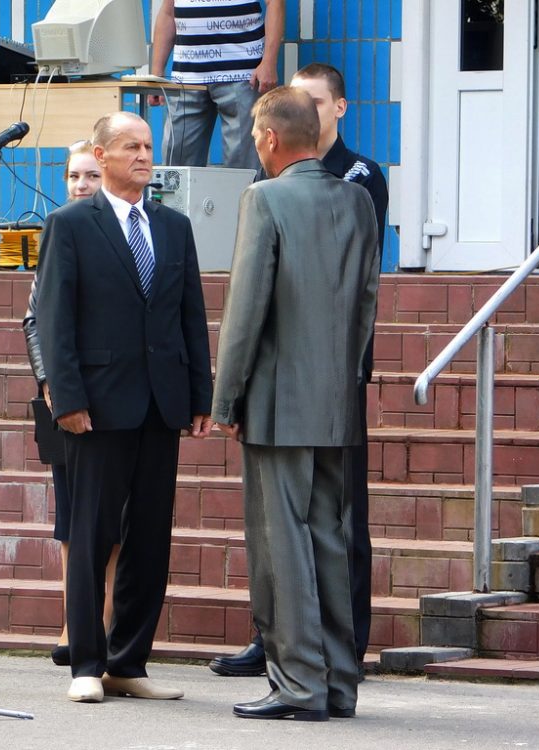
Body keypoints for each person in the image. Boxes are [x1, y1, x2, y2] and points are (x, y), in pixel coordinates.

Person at [208, 62, 387, 679]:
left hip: (278, 404)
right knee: (331, 539)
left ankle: (297, 682)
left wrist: (225, 399)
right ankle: (337, 680)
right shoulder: (358, 199)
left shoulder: (265, 198)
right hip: (338, 398)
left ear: (268, 139)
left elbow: (245, 312)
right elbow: (366, 302)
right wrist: (346, 377)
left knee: (280, 541)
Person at [34, 111, 214, 704]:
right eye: (131, 146)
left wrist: (200, 395)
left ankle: (127, 661)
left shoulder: (173, 225)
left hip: (162, 403)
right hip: (97, 405)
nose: (143, 155)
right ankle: (86, 663)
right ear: (101, 154)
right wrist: (67, 398)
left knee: (150, 539)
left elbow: (190, 314)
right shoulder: (70, 224)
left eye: (148, 145)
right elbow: (55, 319)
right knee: (90, 534)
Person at [22, 140, 120, 668]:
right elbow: (35, 319)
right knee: (71, 517)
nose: (81, 185)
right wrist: (48, 380)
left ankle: (105, 619)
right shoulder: (58, 231)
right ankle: (73, 621)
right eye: (73, 176)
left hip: (116, 396)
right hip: (65, 396)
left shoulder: (124, 233)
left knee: (115, 522)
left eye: (91, 176)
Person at [149, 0, 285, 171]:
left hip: (242, 74)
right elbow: (168, 12)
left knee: (244, 167)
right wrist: (157, 74)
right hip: (187, 76)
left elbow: (275, 4)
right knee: (176, 167)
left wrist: (269, 62)